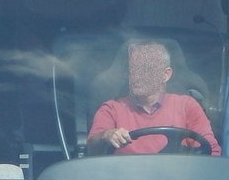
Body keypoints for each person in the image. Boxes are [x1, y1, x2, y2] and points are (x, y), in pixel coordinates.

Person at [86, 41, 222, 156]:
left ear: (166, 75)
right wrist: (106, 135)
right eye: (132, 70)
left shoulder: (187, 106)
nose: (136, 76)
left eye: (146, 70)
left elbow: (210, 152)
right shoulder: (111, 109)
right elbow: (92, 149)